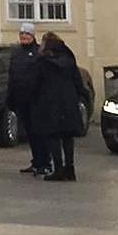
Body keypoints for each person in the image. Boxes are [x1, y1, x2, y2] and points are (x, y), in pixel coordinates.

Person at [32, 32, 82, 182]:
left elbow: (36, 83)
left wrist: (34, 99)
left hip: (50, 102)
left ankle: (58, 169)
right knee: (68, 136)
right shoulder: (69, 59)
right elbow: (77, 81)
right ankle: (70, 168)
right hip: (69, 101)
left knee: (53, 136)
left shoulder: (43, 62)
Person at [7, 25, 44, 174]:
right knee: (29, 132)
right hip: (21, 99)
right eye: (22, 33)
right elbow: (12, 75)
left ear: (33, 36)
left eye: (27, 34)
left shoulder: (39, 52)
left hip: (36, 100)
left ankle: (43, 162)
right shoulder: (16, 53)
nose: (24, 36)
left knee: (38, 132)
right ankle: (36, 161)